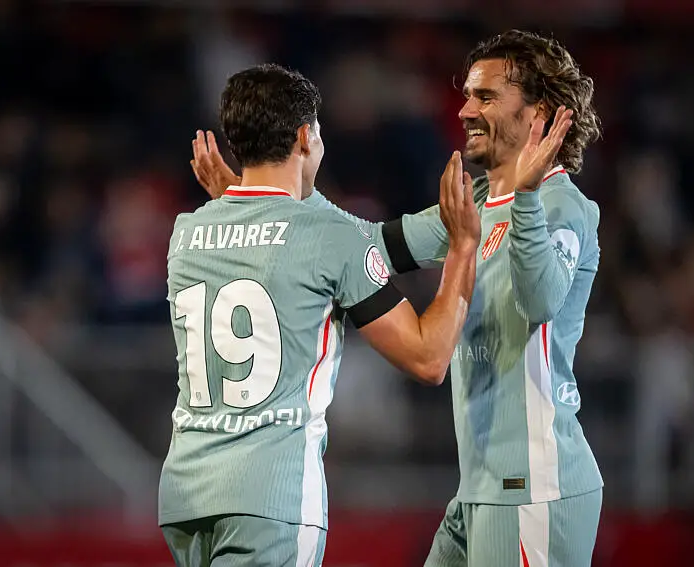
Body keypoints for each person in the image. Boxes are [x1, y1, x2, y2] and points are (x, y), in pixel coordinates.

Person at [192, 30, 602, 567]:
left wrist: (524, 199)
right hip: (479, 489)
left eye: (485, 97)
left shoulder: (564, 207)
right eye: (466, 95)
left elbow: (541, 299)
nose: (463, 110)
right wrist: (259, 202)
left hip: (537, 487)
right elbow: (364, 247)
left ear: (539, 114)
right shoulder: (475, 204)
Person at [160, 63, 489, 567]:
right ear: (304, 137)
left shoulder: (186, 233)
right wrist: (465, 247)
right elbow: (429, 357)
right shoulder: (325, 237)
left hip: (186, 497)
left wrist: (234, 197)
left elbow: (281, 240)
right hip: (271, 497)